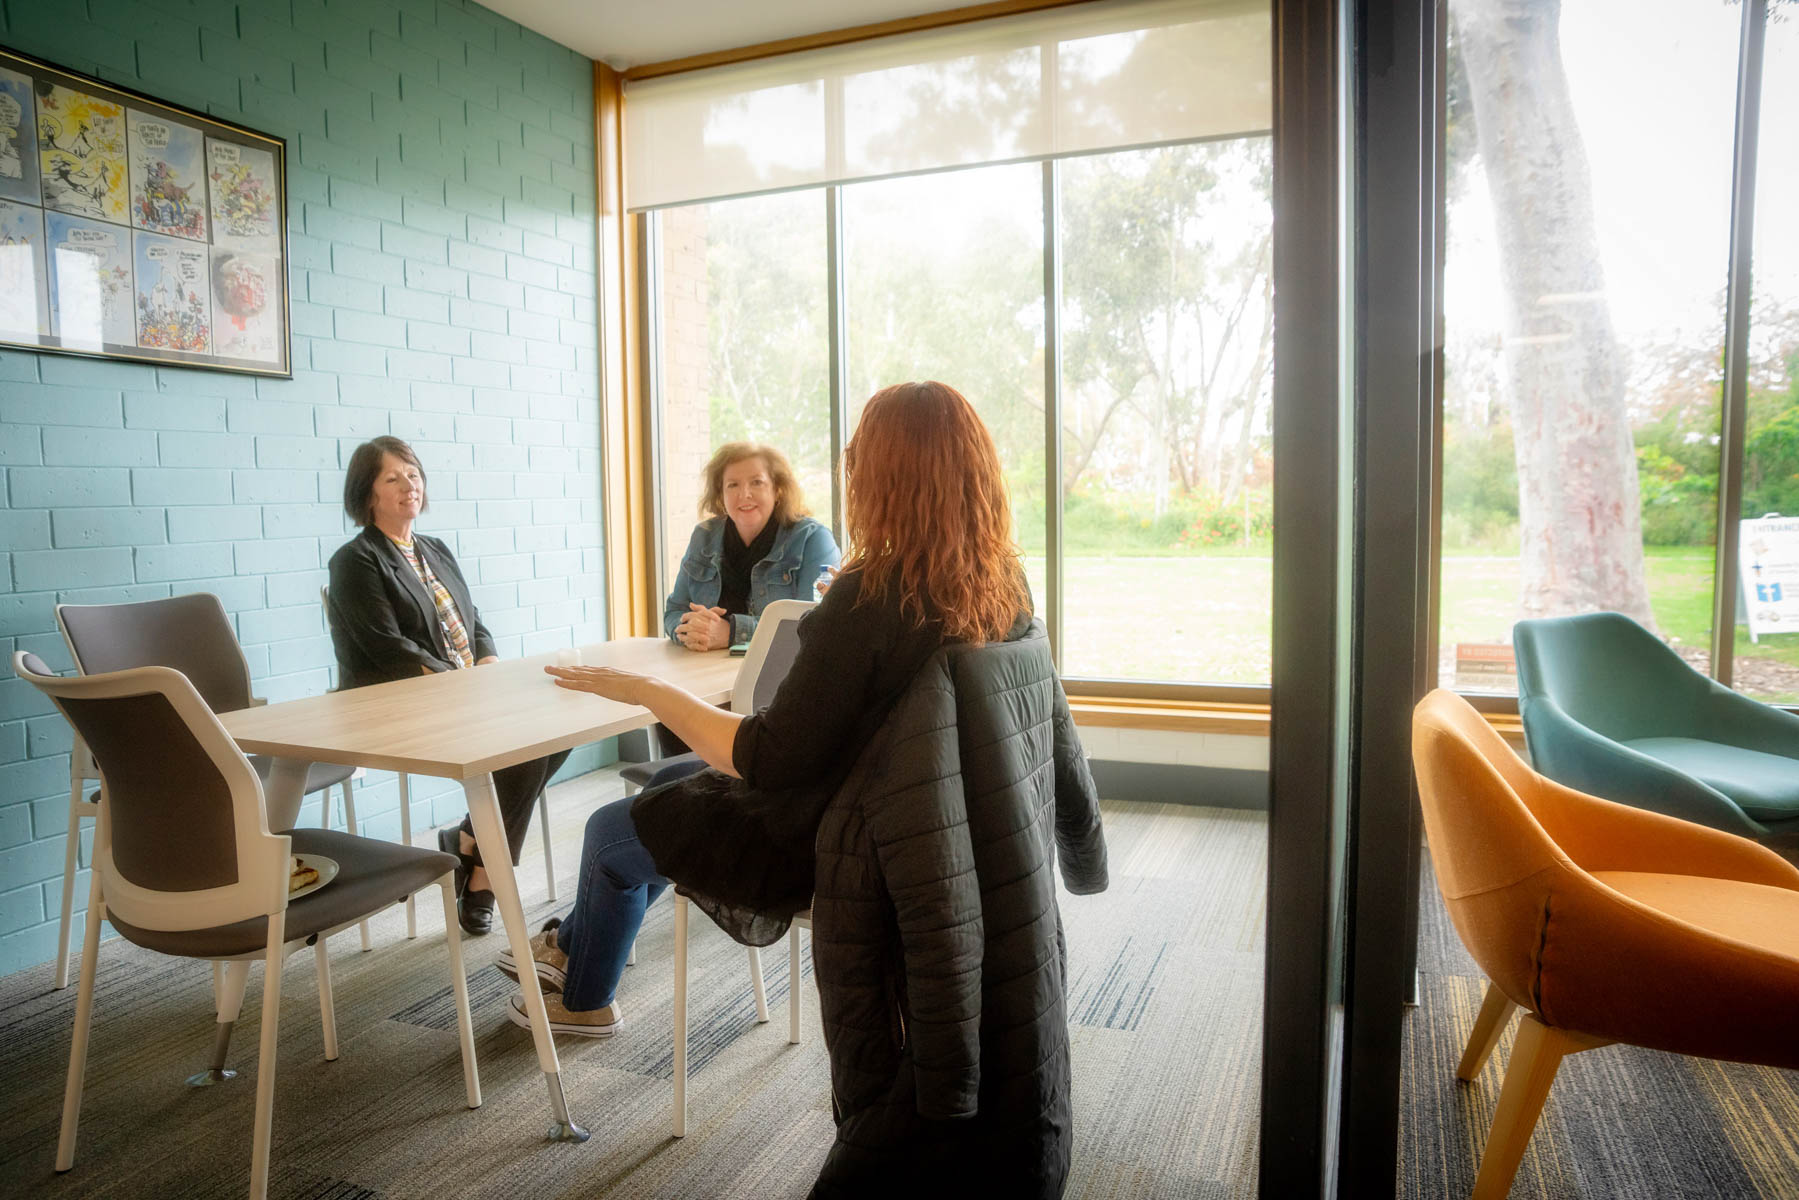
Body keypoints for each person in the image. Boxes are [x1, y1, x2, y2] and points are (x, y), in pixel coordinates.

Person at [497, 382, 1043, 1038]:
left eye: (855, 457)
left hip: (843, 835)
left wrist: (648, 690)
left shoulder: (867, 597)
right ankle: (571, 949)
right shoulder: (1002, 582)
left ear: (886, 477)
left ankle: (582, 998)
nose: (847, 470)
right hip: (932, 817)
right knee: (671, 784)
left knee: (611, 832)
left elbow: (767, 755)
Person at [325, 436, 569, 936]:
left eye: (412, 474)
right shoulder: (355, 561)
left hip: (461, 689)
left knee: (558, 730)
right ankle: (482, 877)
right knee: (524, 747)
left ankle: (469, 845)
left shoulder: (434, 549)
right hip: (396, 701)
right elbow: (387, 648)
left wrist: (489, 661)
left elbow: (471, 620)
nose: (407, 485)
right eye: (391, 478)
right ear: (366, 495)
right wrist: (463, 682)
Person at [663, 442, 840, 652]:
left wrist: (732, 633)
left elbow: (811, 625)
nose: (744, 494)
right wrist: (691, 629)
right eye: (733, 485)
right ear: (720, 494)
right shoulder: (704, 536)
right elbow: (674, 612)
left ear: (778, 489)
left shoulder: (813, 540)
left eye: (757, 482)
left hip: (778, 673)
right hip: (703, 669)